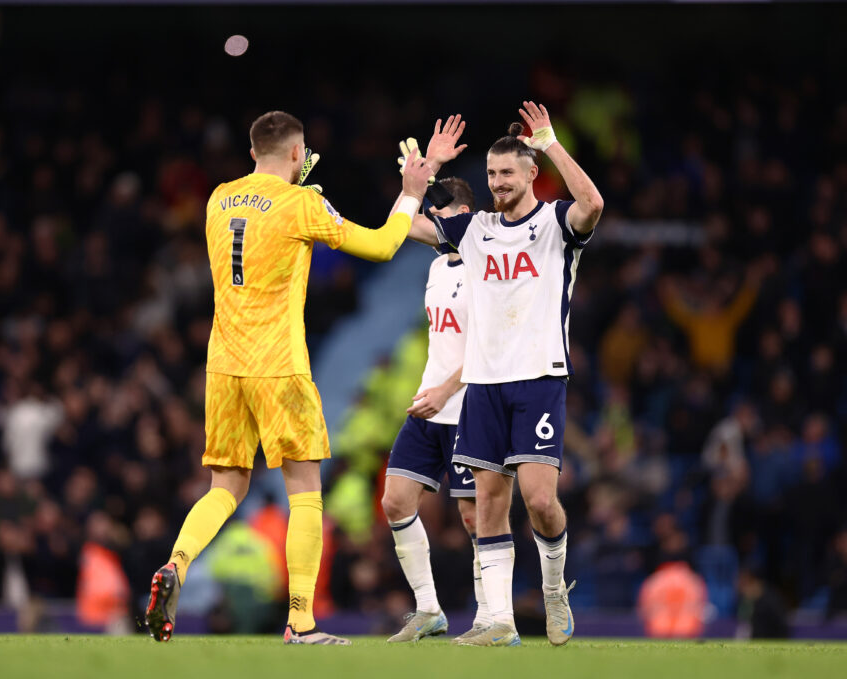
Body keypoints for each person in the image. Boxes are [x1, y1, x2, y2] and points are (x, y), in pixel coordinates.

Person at [145, 110, 434, 645]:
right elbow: (380, 246)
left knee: (226, 487)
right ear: (299, 155)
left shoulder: (217, 197)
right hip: (278, 364)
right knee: (305, 492)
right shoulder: (301, 202)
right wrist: (411, 192)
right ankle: (301, 620)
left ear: (252, 151)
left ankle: (176, 565)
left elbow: (257, 223)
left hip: (223, 364)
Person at [409, 102, 604, 646]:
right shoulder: (474, 229)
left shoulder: (555, 223)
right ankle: (497, 621)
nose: (497, 183)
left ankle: (553, 588)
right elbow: (407, 226)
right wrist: (424, 170)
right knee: (489, 505)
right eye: (492, 174)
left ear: (531, 174)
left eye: (507, 174)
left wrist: (550, 142)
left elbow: (593, 203)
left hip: (540, 376)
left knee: (541, 500)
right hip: (485, 383)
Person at [382, 173, 506, 644]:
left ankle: (489, 618)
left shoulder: (488, 265)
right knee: (395, 501)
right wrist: (414, 181)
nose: (428, 226)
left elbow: (488, 344)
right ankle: (428, 610)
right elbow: (402, 223)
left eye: (437, 216)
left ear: (462, 216)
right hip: (429, 406)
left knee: (476, 519)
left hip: (469, 406)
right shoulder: (437, 269)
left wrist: (446, 390)